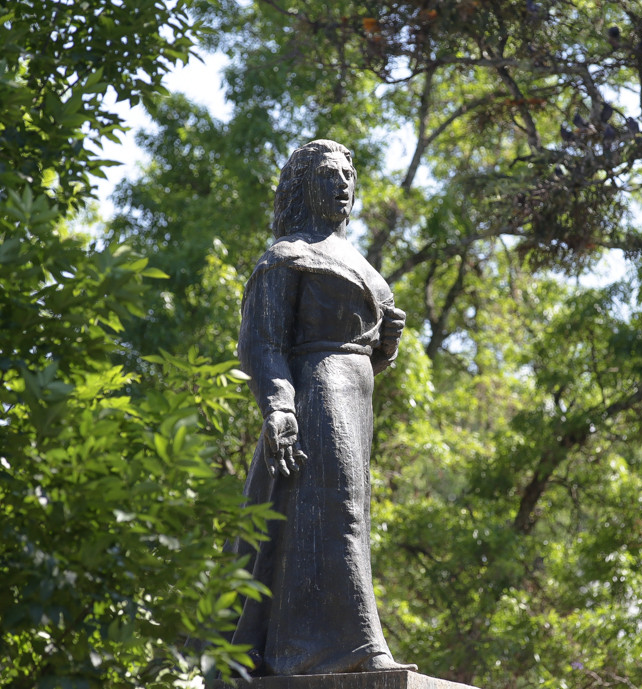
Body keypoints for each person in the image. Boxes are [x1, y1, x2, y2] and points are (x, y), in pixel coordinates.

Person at [232, 139, 414, 675]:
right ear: (304, 187)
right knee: (333, 516)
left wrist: (385, 345)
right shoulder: (286, 256)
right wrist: (280, 408)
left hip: (356, 393)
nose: (342, 184)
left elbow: (363, 345)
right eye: (330, 175)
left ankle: (319, 643)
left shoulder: (351, 256)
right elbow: (262, 344)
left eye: (347, 177)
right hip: (319, 393)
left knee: (338, 514)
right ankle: (347, 646)